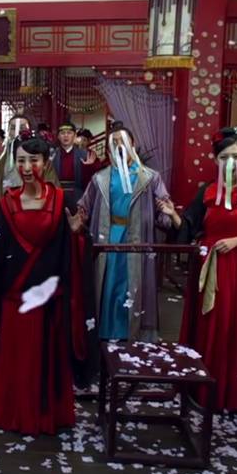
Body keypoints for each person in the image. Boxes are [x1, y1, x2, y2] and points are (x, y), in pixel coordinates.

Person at [0, 135, 93, 436]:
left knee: (47, 357)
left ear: (46, 162)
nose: (27, 167)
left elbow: (72, 248)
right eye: (21, 161)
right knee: (17, 356)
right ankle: (16, 412)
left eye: (34, 160)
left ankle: (47, 414)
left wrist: (76, 234)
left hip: (49, 296)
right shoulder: (7, 202)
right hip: (16, 296)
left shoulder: (61, 199)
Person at [161, 127, 237, 415]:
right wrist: (173, 214)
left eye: (236, 157)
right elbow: (189, 228)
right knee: (208, 324)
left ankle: (235, 394)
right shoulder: (207, 191)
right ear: (215, 160)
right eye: (224, 157)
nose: (230, 162)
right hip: (208, 265)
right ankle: (202, 389)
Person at [79, 123, 175, 341]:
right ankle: (105, 331)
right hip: (109, 235)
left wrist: (168, 215)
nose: (119, 146)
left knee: (131, 286)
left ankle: (133, 333)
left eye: (123, 141)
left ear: (133, 144)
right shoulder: (100, 178)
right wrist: (78, 220)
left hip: (137, 237)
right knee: (109, 283)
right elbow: (84, 207)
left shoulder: (150, 178)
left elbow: (164, 211)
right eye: (114, 143)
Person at [51, 122, 99, 208]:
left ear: (75, 136)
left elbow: (95, 180)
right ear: (58, 136)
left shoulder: (85, 154)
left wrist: (89, 167)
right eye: (62, 133)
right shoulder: (52, 155)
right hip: (56, 194)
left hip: (78, 195)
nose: (66, 136)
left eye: (69, 133)